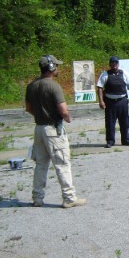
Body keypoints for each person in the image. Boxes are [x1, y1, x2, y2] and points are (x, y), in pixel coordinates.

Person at [25, 55, 87, 208]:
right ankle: (69, 197)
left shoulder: (31, 86)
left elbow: (28, 108)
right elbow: (63, 110)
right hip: (52, 130)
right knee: (62, 163)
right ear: (51, 68)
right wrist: (67, 118)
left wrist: (41, 116)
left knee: (40, 165)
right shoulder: (53, 86)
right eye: (56, 66)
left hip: (38, 128)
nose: (57, 68)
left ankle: (37, 198)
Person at [97, 56, 129, 148]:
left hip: (122, 101)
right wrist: (101, 101)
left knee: (124, 121)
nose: (114, 65)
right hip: (110, 102)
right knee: (110, 123)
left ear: (118, 64)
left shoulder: (124, 73)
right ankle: (110, 141)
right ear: (110, 64)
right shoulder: (105, 74)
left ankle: (126, 140)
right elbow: (99, 87)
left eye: (116, 63)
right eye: (112, 63)